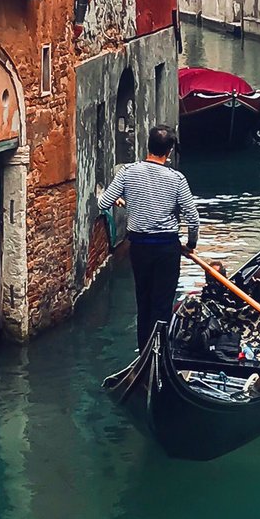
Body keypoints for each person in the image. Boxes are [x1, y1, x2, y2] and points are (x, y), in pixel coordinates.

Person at [98, 124, 200, 352]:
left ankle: (144, 353)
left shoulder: (127, 172)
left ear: (149, 146)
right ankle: (160, 354)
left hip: (140, 248)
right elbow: (193, 218)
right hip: (167, 248)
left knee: (143, 303)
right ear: (170, 151)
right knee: (162, 306)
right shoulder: (177, 179)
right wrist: (190, 245)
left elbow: (103, 203)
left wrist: (120, 199)